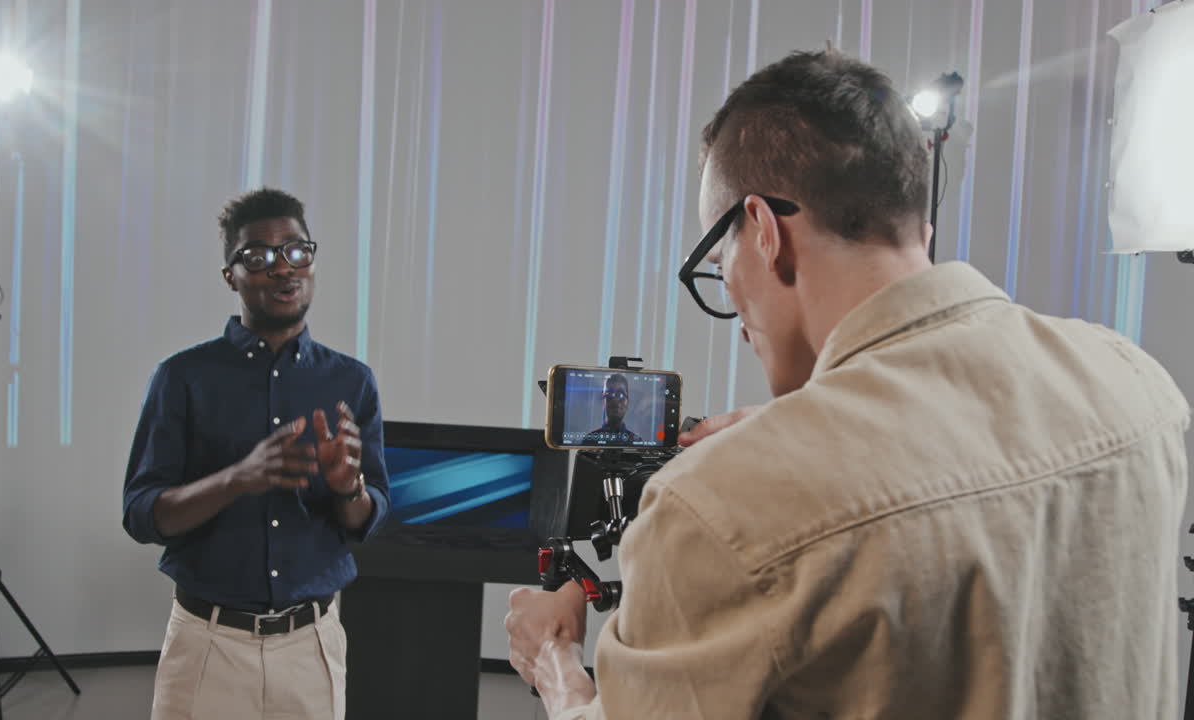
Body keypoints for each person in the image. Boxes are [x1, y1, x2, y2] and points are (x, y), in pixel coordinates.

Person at [506, 49, 1190, 719]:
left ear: (766, 233)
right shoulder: (1138, 387)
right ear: (915, 221)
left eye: (719, 264)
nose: (737, 318)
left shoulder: (717, 506)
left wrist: (553, 665)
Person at [123, 188, 390, 720]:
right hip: (207, 644)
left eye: (297, 251)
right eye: (259, 256)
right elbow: (141, 514)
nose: (283, 268)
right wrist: (238, 479)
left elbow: (368, 517)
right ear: (231, 275)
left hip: (310, 645)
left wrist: (348, 489)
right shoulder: (183, 378)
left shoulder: (350, 382)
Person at [581, 374, 643, 444]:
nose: (615, 400)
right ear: (603, 401)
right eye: (609, 394)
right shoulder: (589, 440)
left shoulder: (636, 442)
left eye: (621, 394)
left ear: (628, 401)